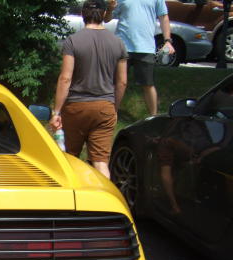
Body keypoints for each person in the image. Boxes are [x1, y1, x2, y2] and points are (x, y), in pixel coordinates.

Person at [49, 0, 128, 179]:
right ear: (103, 14)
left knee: (69, 158)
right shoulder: (118, 43)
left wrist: (57, 111)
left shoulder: (73, 41)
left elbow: (65, 78)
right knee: (101, 162)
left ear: (83, 14)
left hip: (76, 108)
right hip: (105, 106)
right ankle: (105, 202)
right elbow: (122, 82)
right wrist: (113, 108)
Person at [106, 0, 175, 116]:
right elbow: (106, 19)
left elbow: (164, 17)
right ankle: (111, 115)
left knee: (148, 84)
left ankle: (153, 118)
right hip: (122, 46)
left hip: (146, 47)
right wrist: (110, 9)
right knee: (118, 83)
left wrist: (167, 41)